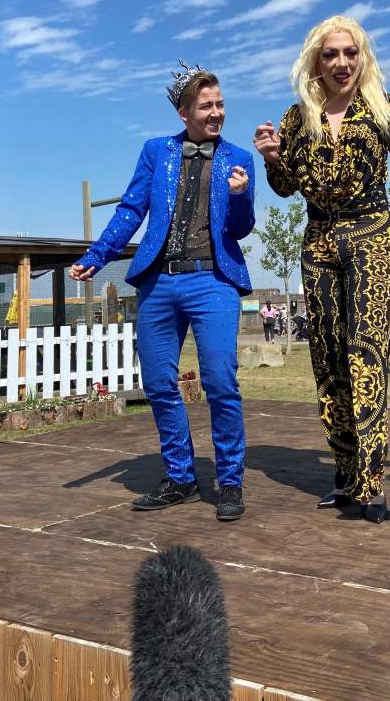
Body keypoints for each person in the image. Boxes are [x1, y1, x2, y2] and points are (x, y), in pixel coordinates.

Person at [254, 15, 390, 523]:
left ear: (361, 57)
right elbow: (283, 189)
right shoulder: (297, 117)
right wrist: (274, 158)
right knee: (328, 359)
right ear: (315, 62)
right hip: (318, 241)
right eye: (331, 54)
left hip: (372, 237)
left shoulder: (382, 108)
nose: (342, 63)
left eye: (350, 53)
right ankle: (345, 476)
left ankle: (372, 483)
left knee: (366, 354)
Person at [72, 62, 255, 522]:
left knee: (219, 381)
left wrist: (238, 195)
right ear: (184, 112)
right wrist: (97, 256)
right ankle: (181, 477)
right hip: (160, 280)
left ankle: (229, 481)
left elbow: (241, 228)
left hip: (213, 280)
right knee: (157, 383)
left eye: (220, 104)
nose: (216, 113)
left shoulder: (238, 158)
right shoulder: (156, 152)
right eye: (206, 106)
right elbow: (132, 209)